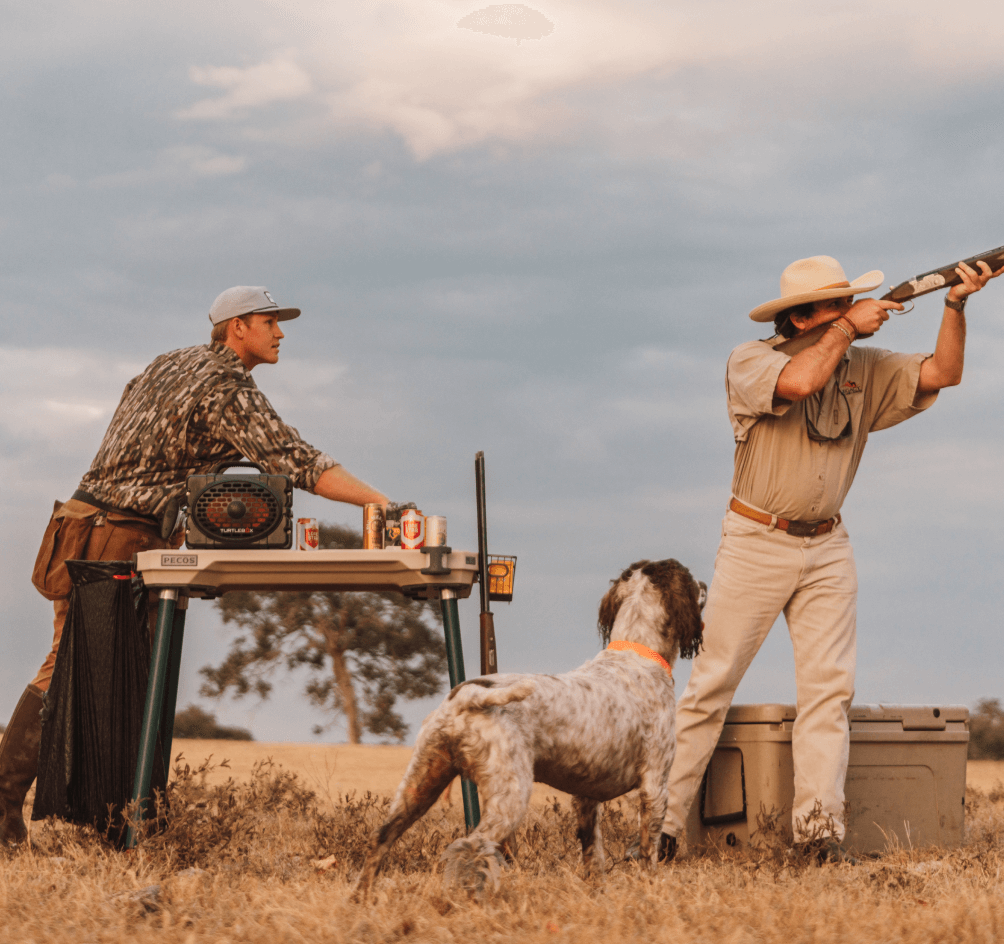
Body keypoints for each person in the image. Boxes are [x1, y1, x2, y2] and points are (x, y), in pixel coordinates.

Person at [0, 285, 387, 849]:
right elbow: (294, 460)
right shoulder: (226, 385)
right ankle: (14, 806)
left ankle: (111, 821)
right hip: (115, 535)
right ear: (237, 328)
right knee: (69, 671)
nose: (280, 333)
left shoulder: (170, 362)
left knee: (89, 671)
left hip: (83, 523)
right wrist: (380, 504)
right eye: (269, 322)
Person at [659, 254, 1001, 862]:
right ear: (800, 318)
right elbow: (799, 384)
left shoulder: (861, 365)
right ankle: (657, 831)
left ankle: (818, 836)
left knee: (829, 692)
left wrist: (955, 302)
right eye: (835, 305)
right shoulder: (751, 359)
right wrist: (849, 329)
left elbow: (943, 373)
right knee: (710, 687)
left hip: (828, 544)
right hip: (755, 540)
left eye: (848, 303)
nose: (846, 312)